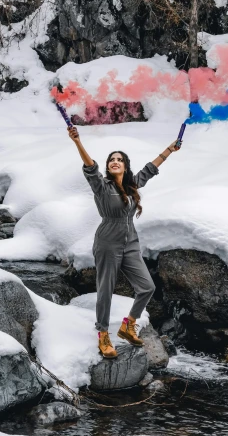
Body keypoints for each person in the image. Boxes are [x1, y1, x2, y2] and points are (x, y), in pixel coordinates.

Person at [68, 125, 181, 358]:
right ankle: (103, 335)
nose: (115, 161)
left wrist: (170, 149)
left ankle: (128, 325)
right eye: (112, 159)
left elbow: (151, 169)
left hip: (131, 243)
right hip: (107, 242)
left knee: (147, 287)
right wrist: (77, 141)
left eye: (119, 159)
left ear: (125, 166)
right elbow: (90, 167)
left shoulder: (132, 185)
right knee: (106, 291)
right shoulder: (101, 186)